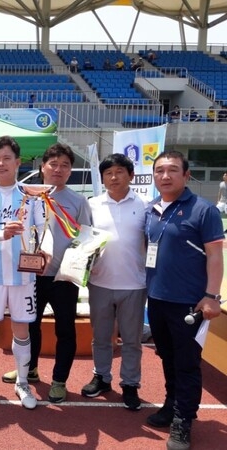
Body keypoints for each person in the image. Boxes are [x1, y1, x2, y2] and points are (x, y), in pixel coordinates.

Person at [1, 143, 93, 404]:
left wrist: (75, 266)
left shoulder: (78, 201)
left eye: (65, 165)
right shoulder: (27, 195)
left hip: (63, 277)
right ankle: (28, 370)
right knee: (29, 325)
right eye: (53, 164)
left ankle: (59, 381)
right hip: (31, 275)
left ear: (70, 170)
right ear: (42, 167)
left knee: (66, 330)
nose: (59, 169)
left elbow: (86, 237)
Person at [145, 151, 224, 450]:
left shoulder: (204, 211)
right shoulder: (151, 209)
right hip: (157, 300)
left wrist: (211, 296)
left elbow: (215, 256)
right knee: (167, 357)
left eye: (173, 170)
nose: (165, 176)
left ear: (187, 175)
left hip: (190, 304)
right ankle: (170, 405)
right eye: (160, 171)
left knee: (188, 364)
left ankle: (183, 421)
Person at [0, 136, 47, 410]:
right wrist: (3, 234)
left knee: (22, 329)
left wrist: (44, 250)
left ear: (18, 162)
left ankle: (23, 383)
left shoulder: (31, 194)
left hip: (23, 276)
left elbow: (42, 229)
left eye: (6, 158)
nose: (0, 163)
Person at [81, 154, 147, 411]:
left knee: (131, 340)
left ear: (131, 175)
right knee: (100, 337)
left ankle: (130, 384)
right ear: (102, 178)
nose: (114, 177)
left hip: (134, 284)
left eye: (120, 171)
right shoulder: (92, 204)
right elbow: (84, 241)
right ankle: (102, 377)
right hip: (99, 283)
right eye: (108, 173)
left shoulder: (145, 204)